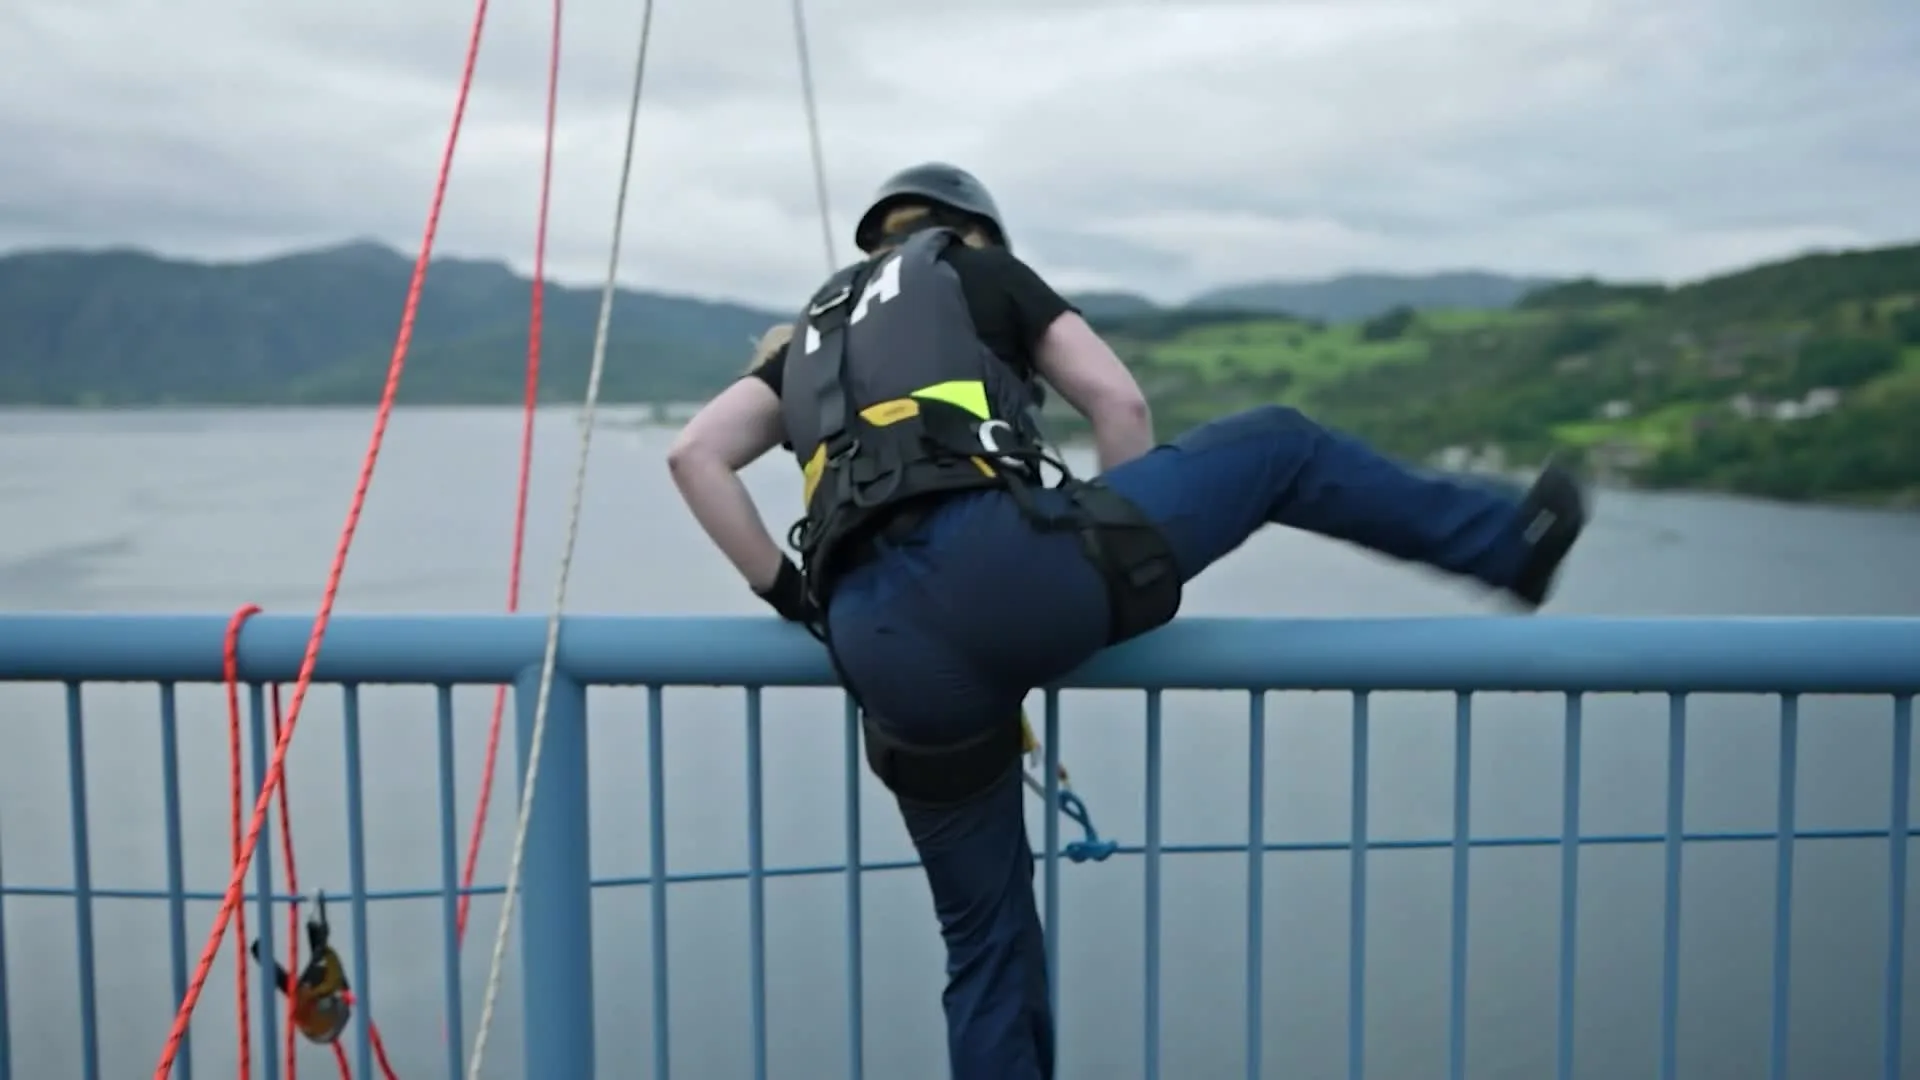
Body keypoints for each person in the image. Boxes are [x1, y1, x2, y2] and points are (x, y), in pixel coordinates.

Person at [667, 162, 1587, 1079]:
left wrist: (799, 601)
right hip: (1013, 568)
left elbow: (697, 456)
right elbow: (1120, 401)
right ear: (970, 229)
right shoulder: (980, 270)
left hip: (880, 647)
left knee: (985, 947)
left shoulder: (812, 342)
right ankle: (1513, 544)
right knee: (1282, 444)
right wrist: (1101, 560)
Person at [249, 892, 352, 1045]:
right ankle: (315, 933)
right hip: (320, 1015)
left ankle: (315, 933)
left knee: (306, 976)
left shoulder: (313, 993)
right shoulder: (316, 992)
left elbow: (290, 982)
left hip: (322, 1017)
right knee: (314, 966)